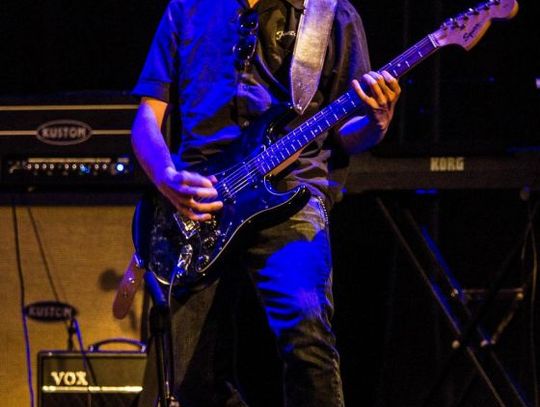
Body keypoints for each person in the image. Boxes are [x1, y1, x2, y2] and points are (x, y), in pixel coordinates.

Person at [131, 0, 400, 405]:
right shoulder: (186, 8)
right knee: (189, 376)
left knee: (307, 333)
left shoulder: (330, 13)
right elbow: (146, 119)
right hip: (200, 198)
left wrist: (377, 122)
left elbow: (347, 135)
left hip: (291, 190)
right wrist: (167, 177)